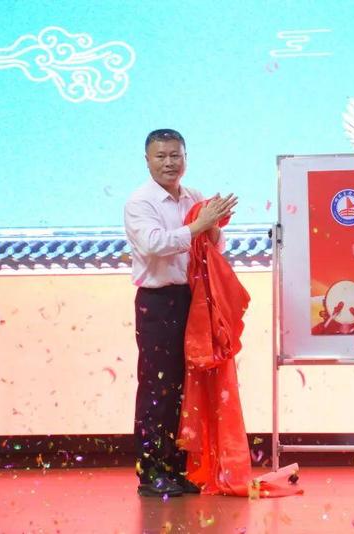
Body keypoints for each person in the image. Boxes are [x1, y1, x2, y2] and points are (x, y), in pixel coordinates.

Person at [123, 129, 237, 497]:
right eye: (161, 156)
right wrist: (199, 225)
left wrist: (214, 227)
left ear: (186, 157)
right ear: (147, 161)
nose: (169, 163)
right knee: (158, 387)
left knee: (188, 388)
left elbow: (213, 245)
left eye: (176, 155)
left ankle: (176, 469)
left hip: (192, 300)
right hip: (157, 303)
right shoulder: (140, 202)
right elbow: (153, 244)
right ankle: (151, 472)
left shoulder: (194, 196)